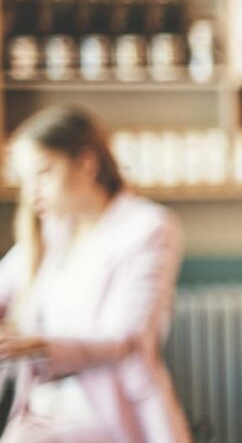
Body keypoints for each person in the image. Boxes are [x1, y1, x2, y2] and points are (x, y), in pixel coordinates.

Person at [0, 105, 190, 442]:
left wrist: (36, 346)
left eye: (43, 172)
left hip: (108, 414)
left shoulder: (147, 227)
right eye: (25, 179)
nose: (32, 193)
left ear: (86, 163)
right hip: (42, 412)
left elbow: (126, 339)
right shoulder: (51, 232)